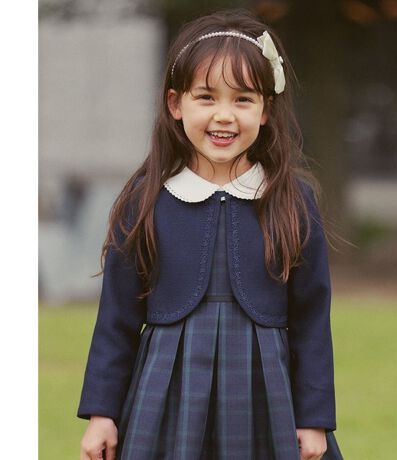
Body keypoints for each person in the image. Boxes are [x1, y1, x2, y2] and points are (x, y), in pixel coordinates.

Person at [78, 8, 336, 460]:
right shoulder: (143, 201)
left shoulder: (294, 201)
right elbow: (116, 319)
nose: (224, 116)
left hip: (264, 393)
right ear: (175, 104)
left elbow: (312, 320)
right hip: (165, 392)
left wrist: (313, 419)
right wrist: (102, 414)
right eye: (206, 97)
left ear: (266, 109)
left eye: (243, 99)